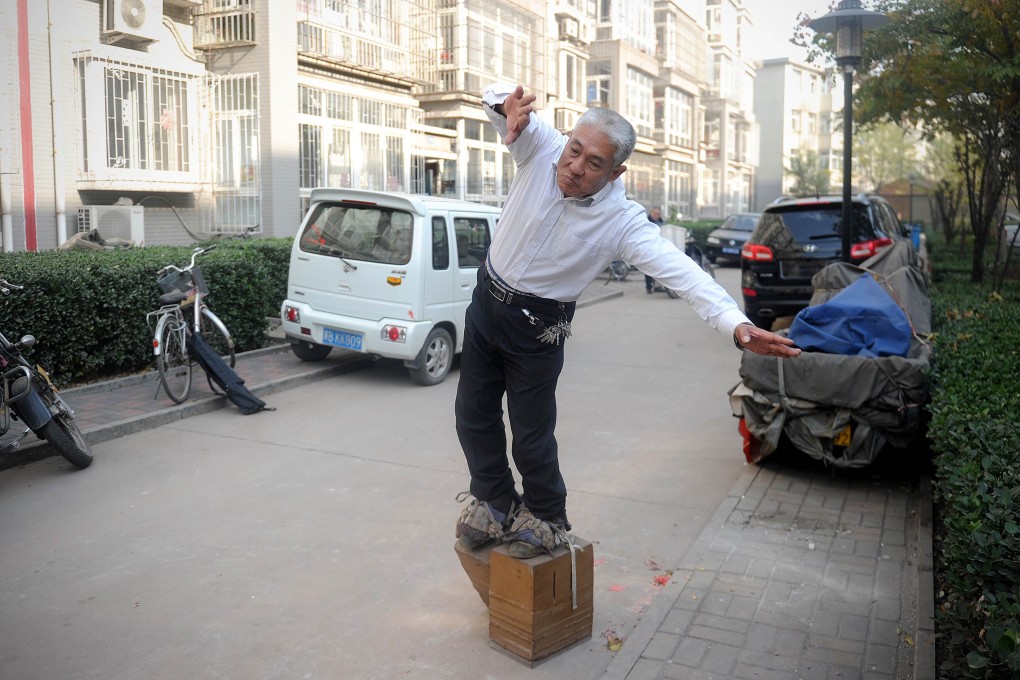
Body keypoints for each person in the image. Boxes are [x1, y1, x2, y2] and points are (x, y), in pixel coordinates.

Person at [454, 83, 800, 559]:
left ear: (616, 172)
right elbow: (503, 107)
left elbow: (682, 272)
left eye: (593, 163)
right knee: (472, 415)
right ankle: (494, 501)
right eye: (575, 151)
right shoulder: (541, 148)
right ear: (568, 139)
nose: (574, 167)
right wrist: (501, 105)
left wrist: (735, 324)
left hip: (537, 328)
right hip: (485, 303)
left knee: (531, 434)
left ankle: (548, 517)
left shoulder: (623, 221)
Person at [645, 206, 665, 293]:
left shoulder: (661, 221)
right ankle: (649, 286)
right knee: (648, 268)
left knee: (658, 267)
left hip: (658, 247)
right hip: (648, 246)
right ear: (651, 213)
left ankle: (657, 286)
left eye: (658, 214)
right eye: (655, 214)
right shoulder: (646, 220)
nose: (657, 216)